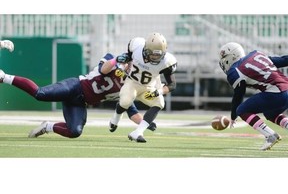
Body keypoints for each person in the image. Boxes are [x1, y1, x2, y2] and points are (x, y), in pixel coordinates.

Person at [0, 40, 155, 138]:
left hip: (80, 102)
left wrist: (145, 124)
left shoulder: (129, 87)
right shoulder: (113, 60)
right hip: (75, 87)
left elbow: (132, 113)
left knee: (75, 132)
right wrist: (117, 61)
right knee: (40, 94)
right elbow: (104, 69)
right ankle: (4, 77)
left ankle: (47, 126)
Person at [218, 42, 288, 151]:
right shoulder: (256, 55)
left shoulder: (234, 71)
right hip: (285, 90)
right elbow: (283, 60)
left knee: (242, 110)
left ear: (232, 56)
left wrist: (233, 115)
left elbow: (239, 93)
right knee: (270, 113)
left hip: (277, 93)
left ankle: (270, 135)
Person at [109, 32, 177, 143]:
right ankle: (116, 117)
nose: (155, 57)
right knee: (125, 101)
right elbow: (126, 58)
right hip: (132, 83)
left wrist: (157, 92)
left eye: (158, 55)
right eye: (152, 54)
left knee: (160, 103)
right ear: (146, 49)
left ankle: (138, 132)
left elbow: (172, 85)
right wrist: (121, 68)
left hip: (149, 87)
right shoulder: (137, 46)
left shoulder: (167, 61)